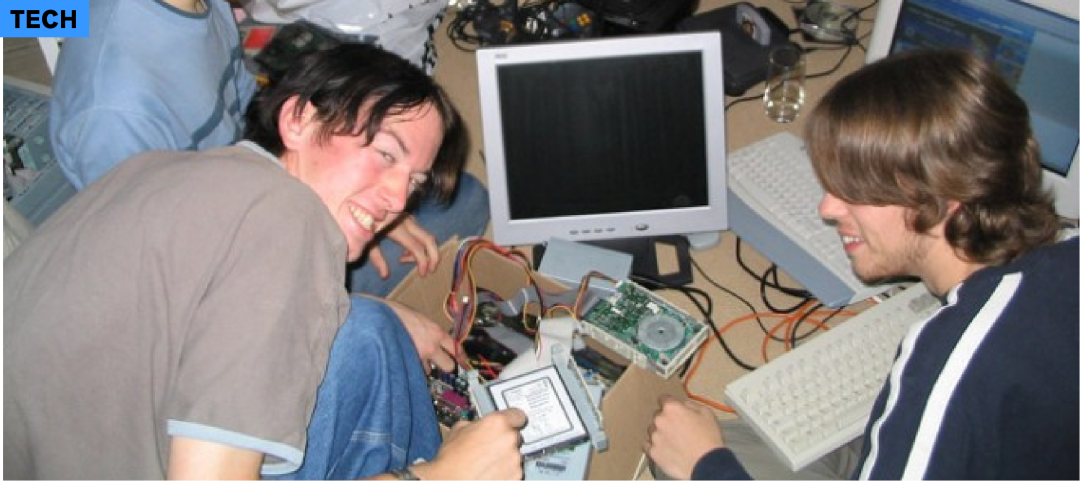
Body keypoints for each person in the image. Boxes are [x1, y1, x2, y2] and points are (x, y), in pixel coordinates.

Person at [5, 43, 524, 481]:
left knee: (369, 328)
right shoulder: (290, 221)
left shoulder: (164, 169)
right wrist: (439, 477)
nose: (396, 200)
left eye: (413, 182)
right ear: (298, 119)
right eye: (386, 154)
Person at [646, 50, 1080, 480]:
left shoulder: (945, 366)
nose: (828, 208)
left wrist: (707, 466)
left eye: (856, 190)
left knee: (675, 458)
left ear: (946, 200)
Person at [48, 0, 489, 298]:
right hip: (223, 263)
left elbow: (245, 108)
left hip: (248, 182)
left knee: (459, 196)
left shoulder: (197, 5)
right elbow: (181, 280)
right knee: (461, 211)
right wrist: (344, 300)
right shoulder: (114, 111)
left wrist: (358, 197)